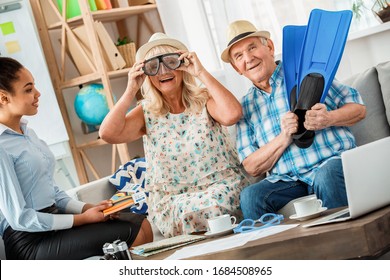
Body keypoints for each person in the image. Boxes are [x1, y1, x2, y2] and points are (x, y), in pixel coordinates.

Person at [0, 57, 153, 260]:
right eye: (28, 90)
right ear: (3, 97)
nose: (37, 94)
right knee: (131, 233)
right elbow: (20, 218)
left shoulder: (28, 133)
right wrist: (81, 219)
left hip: (55, 223)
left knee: (139, 221)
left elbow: (52, 191)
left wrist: (89, 208)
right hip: (30, 242)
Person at [99, 33, 250, 238]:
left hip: (220, 187)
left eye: (170, 63)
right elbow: (107, 133)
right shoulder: (147, 112)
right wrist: (131, 89)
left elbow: (233, 114)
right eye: (154, 66)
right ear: (147, 75)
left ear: (182, 66)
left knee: (215, 205)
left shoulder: (204, 98)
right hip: (174, 199)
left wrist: (201, 72)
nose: (163, 71)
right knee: (185, 210)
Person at [220, 20, 366, 220]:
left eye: (252, 47)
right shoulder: (244, 107)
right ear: (237, 68)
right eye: (239, 56)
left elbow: (358, 108)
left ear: (269, 47)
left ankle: (343, 248)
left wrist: (329, 118)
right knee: (250, 196)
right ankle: (278, 252)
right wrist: (284, 137)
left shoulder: (306, 75)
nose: (248, 58)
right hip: (287, 181)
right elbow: (251, 166)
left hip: (330, 164)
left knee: (327, 176)